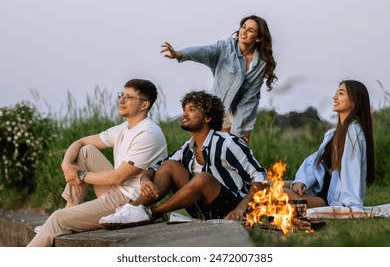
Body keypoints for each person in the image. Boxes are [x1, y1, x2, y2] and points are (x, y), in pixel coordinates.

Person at [27, 79, 168, 246]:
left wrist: (80, 175)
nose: (121, 100)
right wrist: (66, 165)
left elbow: (118, 177)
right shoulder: (124, 128)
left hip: (130, 203)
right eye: (121, 95)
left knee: (57, 219)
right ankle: (70, 208)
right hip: (117, 191)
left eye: (128, 97)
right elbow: (81, 142)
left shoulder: (148, 134)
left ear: (144, 105)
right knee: (87, 151)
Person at [98, 90, 268, 229]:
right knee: (169, 166)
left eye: (192, 109)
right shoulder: (187, 148)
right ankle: (134, 209)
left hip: (234, 206)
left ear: (207, 118)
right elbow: (157, 166)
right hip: (204, 210)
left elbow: (260, 176)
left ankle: (150, 213)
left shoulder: (227, 142)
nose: (184, 113)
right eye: (184, 109)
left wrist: (241, 208)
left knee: (203, 178)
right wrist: (145, 179)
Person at [160, 15, 278, 144]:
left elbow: (250, 97)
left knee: (238, 148)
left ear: (259, 38)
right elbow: (205, 51)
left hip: (244, 109)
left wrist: (237, 132)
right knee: (214, 146)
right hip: (221, 105)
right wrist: (180, 54)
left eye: (250, 30)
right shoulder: (225, 47)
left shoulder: (261, 63)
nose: (244, 31)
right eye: (243, 27)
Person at [285, 80, 375, 211]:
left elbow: (352, 174)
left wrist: (352, 206)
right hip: (316, 187)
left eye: (341, 93)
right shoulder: (333, 133)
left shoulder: (353, 133)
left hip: (328, 199)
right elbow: (315, 162)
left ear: (354, 101)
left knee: (277, 194)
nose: (335, 97)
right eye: (336, 93)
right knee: (268, 186)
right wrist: (302, 181)